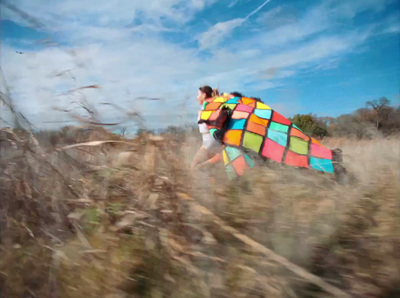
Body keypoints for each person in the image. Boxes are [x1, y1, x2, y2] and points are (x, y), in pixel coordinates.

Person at [190, 86, 222, 169]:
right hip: (210, 140)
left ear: (204, 95)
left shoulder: (208, 107)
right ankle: (216, 159)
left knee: (194, 166)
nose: (197, 97)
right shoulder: (208, 106)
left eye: (198, 94)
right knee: (210, 170)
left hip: (209, 141)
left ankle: (218, 158)